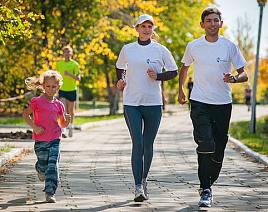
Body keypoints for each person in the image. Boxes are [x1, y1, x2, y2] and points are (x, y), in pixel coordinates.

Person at [177, 7, 248, 208]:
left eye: (216, 20)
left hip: (223, 104)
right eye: (208, 21)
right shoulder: (194, 46)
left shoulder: (229, 46)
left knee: (219, 147)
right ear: (202, 24)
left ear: (221, 23)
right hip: (199, 101)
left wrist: (234, 78)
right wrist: (181, 90)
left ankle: (209, 182)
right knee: (205, 144)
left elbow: (244, 74)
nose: (212, 24)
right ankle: (205, 188)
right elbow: (184, 67)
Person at [116, 14, 178, 202]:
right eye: (143, 26)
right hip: (132, 102)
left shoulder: (160, 50)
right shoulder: (128, 49)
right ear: (136, 28)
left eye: (150, 26)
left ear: (153, 29)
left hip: (153, 102)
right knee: (138, 143)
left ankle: (144, 180)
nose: (146, 29)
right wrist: (121, 80)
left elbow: (173, 71)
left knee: (148, 145)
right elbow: (120, 67)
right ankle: (137, 187)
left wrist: (158, 76)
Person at [22, 70, 71, 203]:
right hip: (40, 139)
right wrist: (35, 127)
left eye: (53, 86)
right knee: (43, 165)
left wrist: (67, 120)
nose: (51, 89)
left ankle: (50, 192)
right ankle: (40, 169)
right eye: (48, 86)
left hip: (55, 138)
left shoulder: (59, 104)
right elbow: (26, 115)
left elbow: (63, 123)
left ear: (58, 87)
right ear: (43, 86)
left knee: (53, 165)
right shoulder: (37, 101)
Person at [56, 46, 80, 138]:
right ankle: (63, 127)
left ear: (71, 53)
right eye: (65, 52)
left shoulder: (74, 64)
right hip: (62, 88)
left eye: (68, 52)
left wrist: (69, 75)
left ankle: (71, 126)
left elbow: (78, 78)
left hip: (72, 89)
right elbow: (55, 75)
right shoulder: (59, 64)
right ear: (63, 53)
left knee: (71, 111)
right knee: (63, 109)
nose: (66, 53)